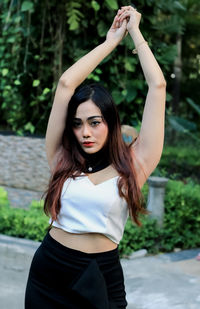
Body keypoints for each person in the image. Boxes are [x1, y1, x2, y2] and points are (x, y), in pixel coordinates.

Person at [25, 5, 166, 309]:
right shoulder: (62, 159)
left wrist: (134, 33)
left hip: (100, 274)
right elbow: (65, 85)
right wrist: (108, 43)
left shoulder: (132, 166)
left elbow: (158, 86)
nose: (85, 132)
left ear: (111, 123)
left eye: (94, 122)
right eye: (77, 124)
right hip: (49, 270)